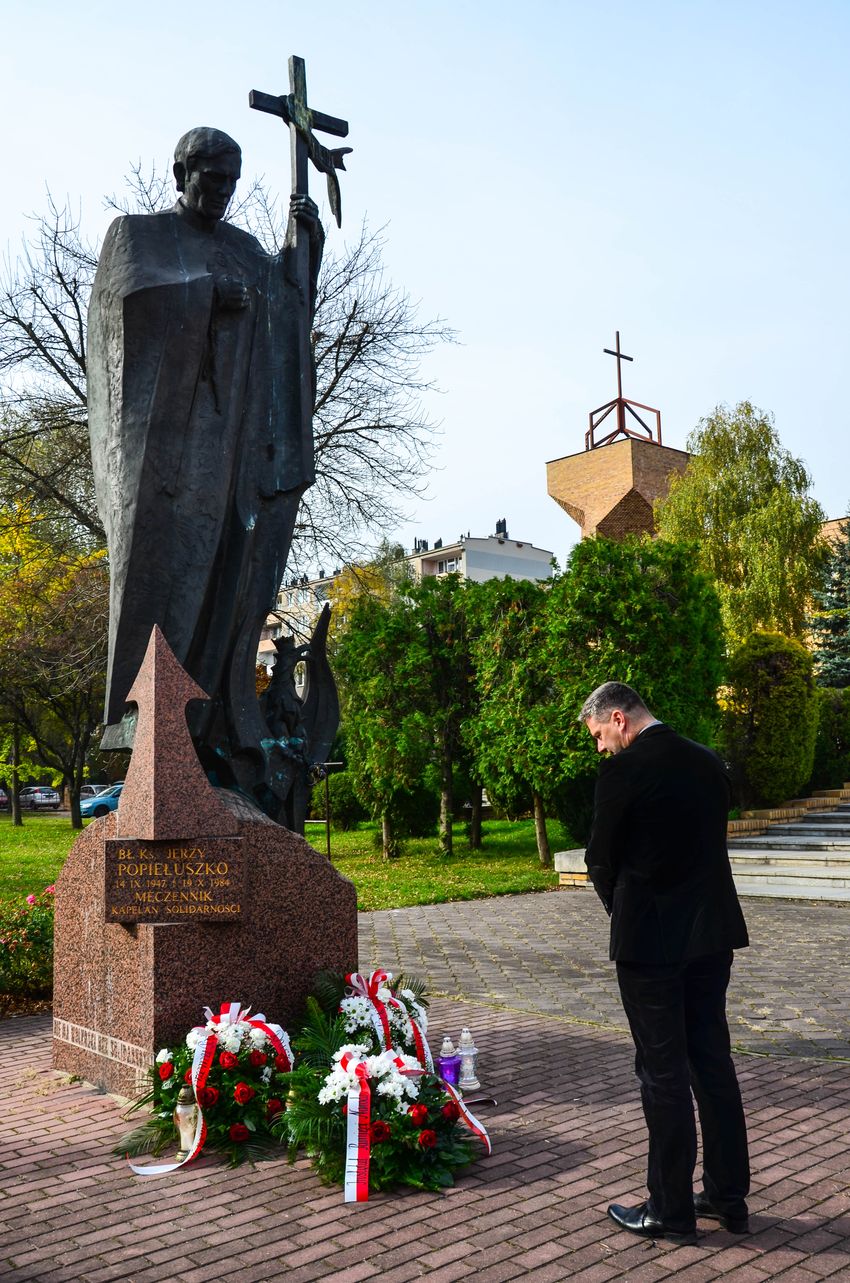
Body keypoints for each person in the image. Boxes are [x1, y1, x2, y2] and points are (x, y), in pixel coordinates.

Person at [87, 127, 325, 808]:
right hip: (170, 462)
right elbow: (123, 314)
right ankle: (151, 738)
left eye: (231, 182)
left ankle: (212, 737)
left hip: (235, 457)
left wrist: (301, 255)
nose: (221, 193)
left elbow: (284, 317)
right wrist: (204, 294)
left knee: (232, 582)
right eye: (211, 179)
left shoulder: (246, 250)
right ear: (180, 172)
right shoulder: (137, 235)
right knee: (170, 586)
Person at [580, 681, 750, 1245]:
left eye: (601, 735)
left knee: (663, 1072)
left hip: (650, 943)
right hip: (712, 934)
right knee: (712, 1062)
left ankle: (670, 1209)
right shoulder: (707, 761)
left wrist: (620, 905)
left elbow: (599, 859)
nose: (601, 748)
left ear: (620, 719)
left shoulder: (625, 773)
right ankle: (728, 1197)